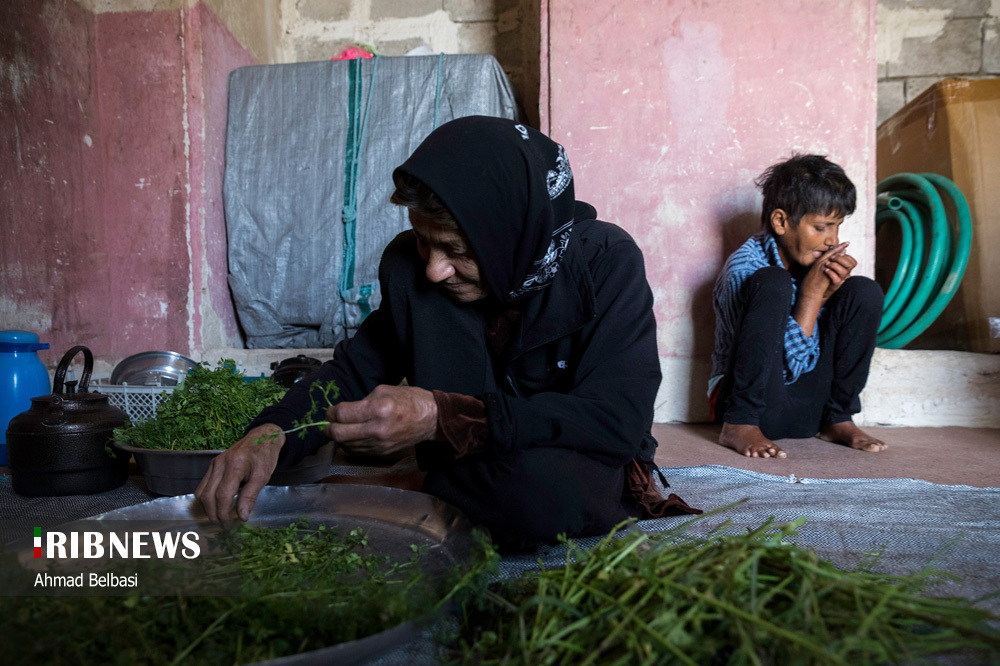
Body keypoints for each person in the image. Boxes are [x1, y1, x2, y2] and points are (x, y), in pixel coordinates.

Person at [196, 116, 699, 552]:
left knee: (544, 494)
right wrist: (271, 433)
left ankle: (416, 487)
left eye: (457, 249)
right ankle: (432, 490)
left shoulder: (605, 263)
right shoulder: (413, 273)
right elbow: (351, 371)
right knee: (512, 493)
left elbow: (615, 421)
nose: (435, 269)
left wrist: (444, 418)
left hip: (570, 455)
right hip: (473, 466)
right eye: (422, 240)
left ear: (511, 235)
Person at [709, 154, 886, 459]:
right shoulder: (745, 268)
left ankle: (838, 419)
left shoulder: (813, 262)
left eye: (837, 227)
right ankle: (737, 426)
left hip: (806, 410)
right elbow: (784, 367)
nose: (832, 241)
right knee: (773, 281)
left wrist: (828, 297)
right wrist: (811, 297)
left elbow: (811, 363)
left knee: (863, 291)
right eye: (821, 227)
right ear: (780, 221)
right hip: (750, 403)